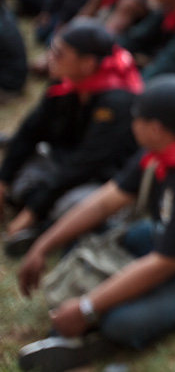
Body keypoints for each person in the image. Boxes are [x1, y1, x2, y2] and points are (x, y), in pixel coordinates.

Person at [16, 74, 175, 371]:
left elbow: (163, 264)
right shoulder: (167, 150)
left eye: (136, 117)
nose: (132, 123)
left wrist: (86, 309)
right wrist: (43, 245)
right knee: (107, 238)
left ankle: (99, 338)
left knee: (122, 323)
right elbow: (105, 201)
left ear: (156, 128)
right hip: (170, 238)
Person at [0, 19, 141, 255]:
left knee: (74, 206)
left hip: (100, 178)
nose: (50, 57)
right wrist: (2, 181)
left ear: (87, 64)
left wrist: (33, 210)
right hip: (62, 162)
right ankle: (43, 213)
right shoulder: (66, 82)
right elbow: (30, 131)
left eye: (60, 53)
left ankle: (48, 226)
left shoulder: (117, 101)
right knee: (20, 177)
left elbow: (88, 163)